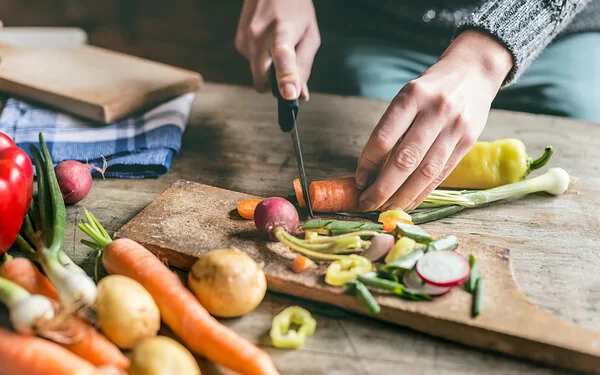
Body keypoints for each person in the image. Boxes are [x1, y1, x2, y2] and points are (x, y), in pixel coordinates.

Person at [234, 0, 599, 211]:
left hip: (554, 31)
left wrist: (485, 57)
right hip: (380, 25)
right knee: (375, 136)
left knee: (580, 121)